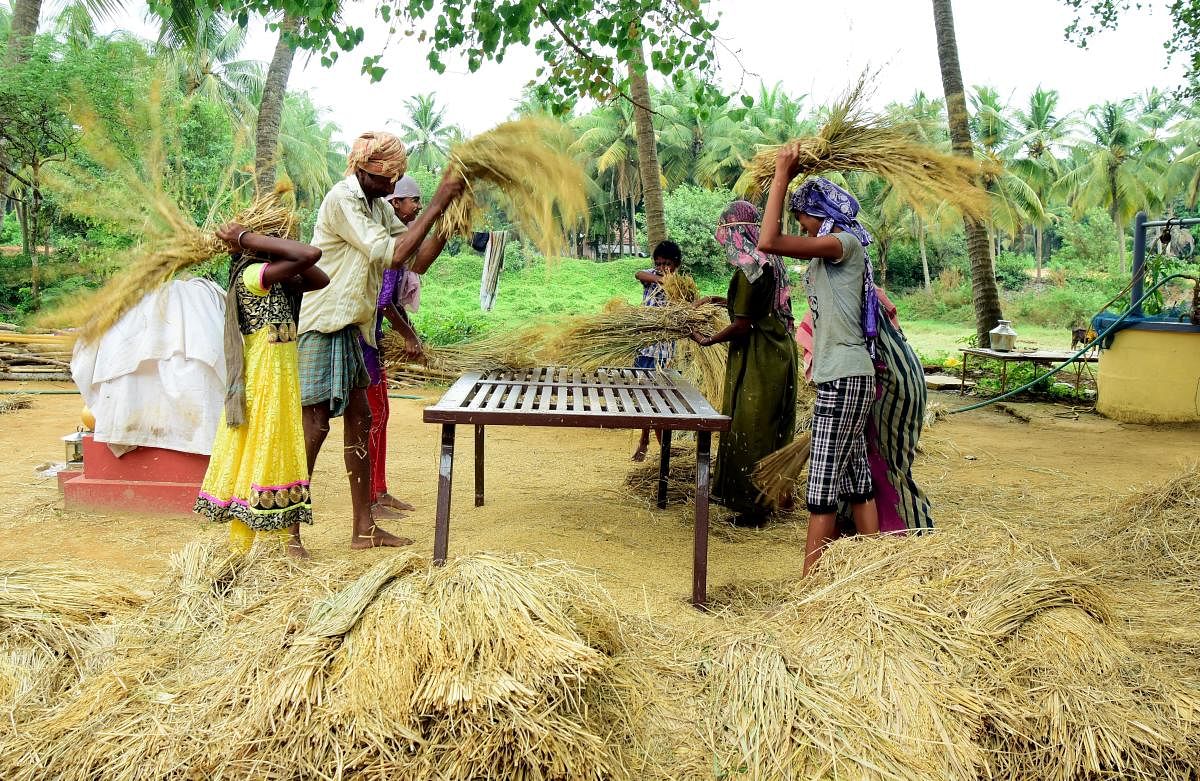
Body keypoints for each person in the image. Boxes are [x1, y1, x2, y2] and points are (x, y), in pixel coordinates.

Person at [298, 131, 464, 551]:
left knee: (361, 422)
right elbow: (391, 254)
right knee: (315, 427)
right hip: (322, 325)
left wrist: (450, 220)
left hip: (355, 329)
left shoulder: (373, 204)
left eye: (398, 180)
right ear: (365, 169)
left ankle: (363, 529)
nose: (394, 188)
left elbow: (415, 258)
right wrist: (442, 198)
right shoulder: (342, 200)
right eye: (389, 178)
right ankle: (287, 531)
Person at [194, 221, 330, 557]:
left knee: (277, 452)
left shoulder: (280, 280)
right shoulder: (252, 275)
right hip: (265, 381)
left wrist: (266, 243)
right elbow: (311, 252)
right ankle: (242, 552)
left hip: (280, 383)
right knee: (262, 452)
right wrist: (245, 239)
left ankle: (275, 553)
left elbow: (319, 275)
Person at [691, 201, 798, 529]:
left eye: (725, 233)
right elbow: (754, 307)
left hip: (761, 357)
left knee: (753, 428)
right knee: (770, 425)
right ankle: (773, 496)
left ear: (735, 232)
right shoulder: (768, 259)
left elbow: (744, 323)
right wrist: (717, 301)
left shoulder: (751, 265)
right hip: (777, 351)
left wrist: (708, 339)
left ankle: (754, 507)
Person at [360, 175, 434, 521]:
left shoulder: (394, 239)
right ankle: (371, 496)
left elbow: (416, 269)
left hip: (372, 343)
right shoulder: (387, 242)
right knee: (373, 418)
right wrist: (408, 336)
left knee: (381, 415)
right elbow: (384, 301)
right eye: (413, 201)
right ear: (395, 203)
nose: (416, 207)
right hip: (363, 344)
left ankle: (380, 489)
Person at [632, 240, 682, 462]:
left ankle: (663, 448)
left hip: (663, 351)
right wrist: (661, 279)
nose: (662, 267)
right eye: (659, 263)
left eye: (667, 264)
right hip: (645, 347)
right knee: (644, 396)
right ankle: (644, 440)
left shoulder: (681, 285)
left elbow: (686, 306)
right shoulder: (652, 276)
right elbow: (639, 274)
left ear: (677, 264)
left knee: (660, 399)